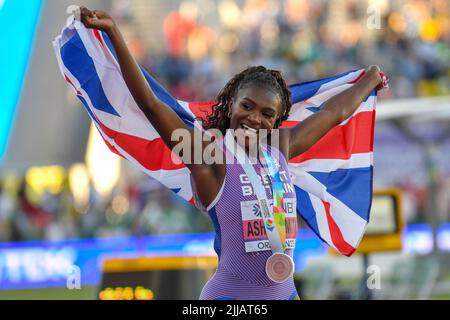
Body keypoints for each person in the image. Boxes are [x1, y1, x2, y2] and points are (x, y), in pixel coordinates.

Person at [79, 7, 385, 300]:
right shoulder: (208, 156)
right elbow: (151, 105)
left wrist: (370, 79)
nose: (254, 118)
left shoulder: (280, 148)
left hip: (285, 293)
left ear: (277, 121)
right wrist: (115, 34)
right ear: (230, 105)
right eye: (247, 106)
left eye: (267, 113)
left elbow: (333, 113)